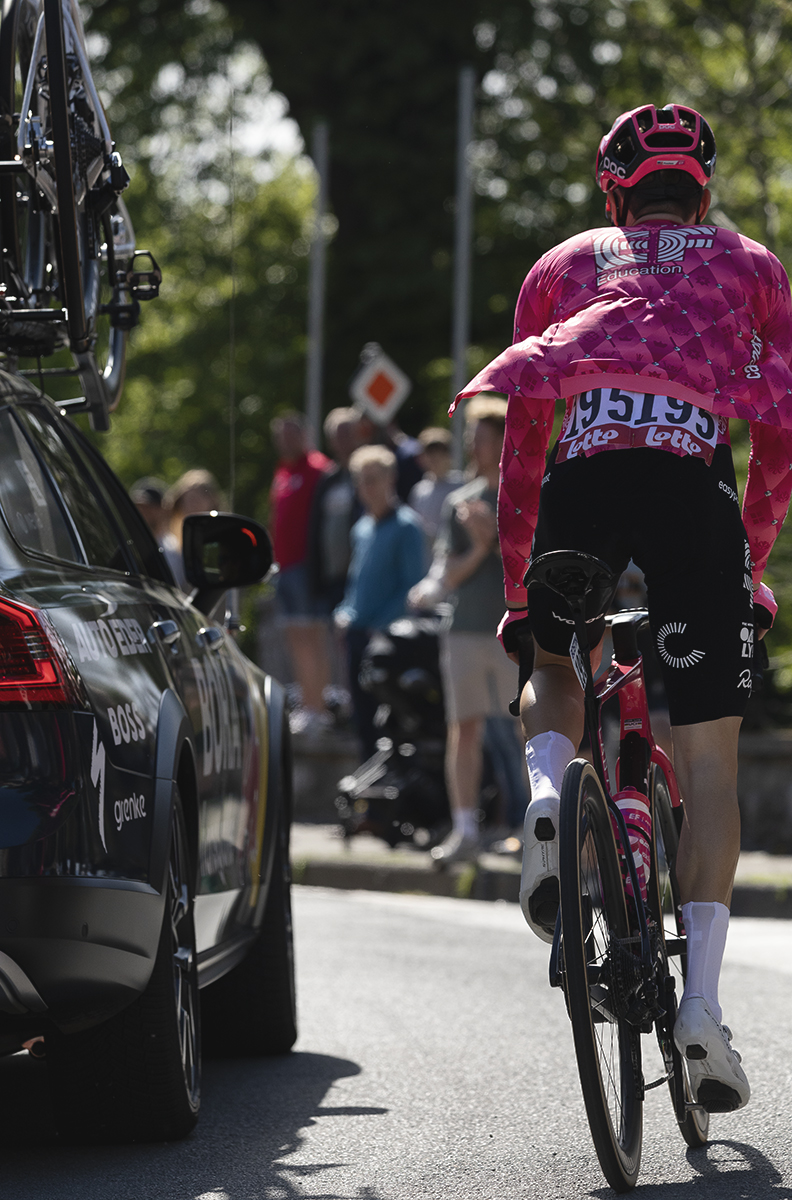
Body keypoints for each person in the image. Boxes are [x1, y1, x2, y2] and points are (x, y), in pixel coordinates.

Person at [454, 104, 792, 1114]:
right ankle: (697, 1009)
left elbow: (521, 446)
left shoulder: (561, 265)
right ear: (702, 186)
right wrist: (753, 568)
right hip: (693, 502)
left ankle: (549, 800)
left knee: (554, 671)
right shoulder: (753, 267)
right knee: (707, 766)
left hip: (584, 486)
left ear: (612, 191)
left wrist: (521, 592)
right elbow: (774, 439)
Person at [428, 398, 528, 865]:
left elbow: (531, 566)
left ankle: (535, 827)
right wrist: (482, 546)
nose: (473, 444)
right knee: (462, 728)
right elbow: (448, 575)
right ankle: (465, 828)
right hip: (465, 628)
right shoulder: (458, 501)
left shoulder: (526, 497)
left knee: (530, 727)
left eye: (482, 436)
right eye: (471, 436)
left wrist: (499, 537)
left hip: (513, 629)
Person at [334, 445, 427, 760]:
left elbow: (412, 586)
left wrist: (382, 627)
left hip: (386, 641)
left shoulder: (407, 526)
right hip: (357, 635)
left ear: (391, 480)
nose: (366, 488)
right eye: (360, 480)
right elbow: (355, 583)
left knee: (387, 721)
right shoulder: (361, 528)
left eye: (373, 479)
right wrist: (343, 613)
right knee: (360, 719)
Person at [269, 411, 334, 734]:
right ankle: (306, 703)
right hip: (284, 566)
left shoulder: (319, 469)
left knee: (313, 636)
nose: (287, 440)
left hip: (308, 567)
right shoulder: (282, 471)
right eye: (282, 435)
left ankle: (317, 707)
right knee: (296, 637)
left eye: (293, 433)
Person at [307, 407, 362, 614]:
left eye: (348, 434)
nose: (343, 441)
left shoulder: (369, 476)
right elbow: (315, 529)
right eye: (338, 436)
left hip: (362, 574)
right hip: (332, 578)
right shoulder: (328, 480)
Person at [163, 469, 224, 589]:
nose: (192, 505)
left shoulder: (222, 540)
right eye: (188, 500)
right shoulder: (170, 544)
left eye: (198, 499)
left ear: (212, 501)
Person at [408, 427, 464, 547]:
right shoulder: (418, 490)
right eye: (430, 452)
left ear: (449, 455)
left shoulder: (461, 486)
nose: (435, 458)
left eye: (440, 452)